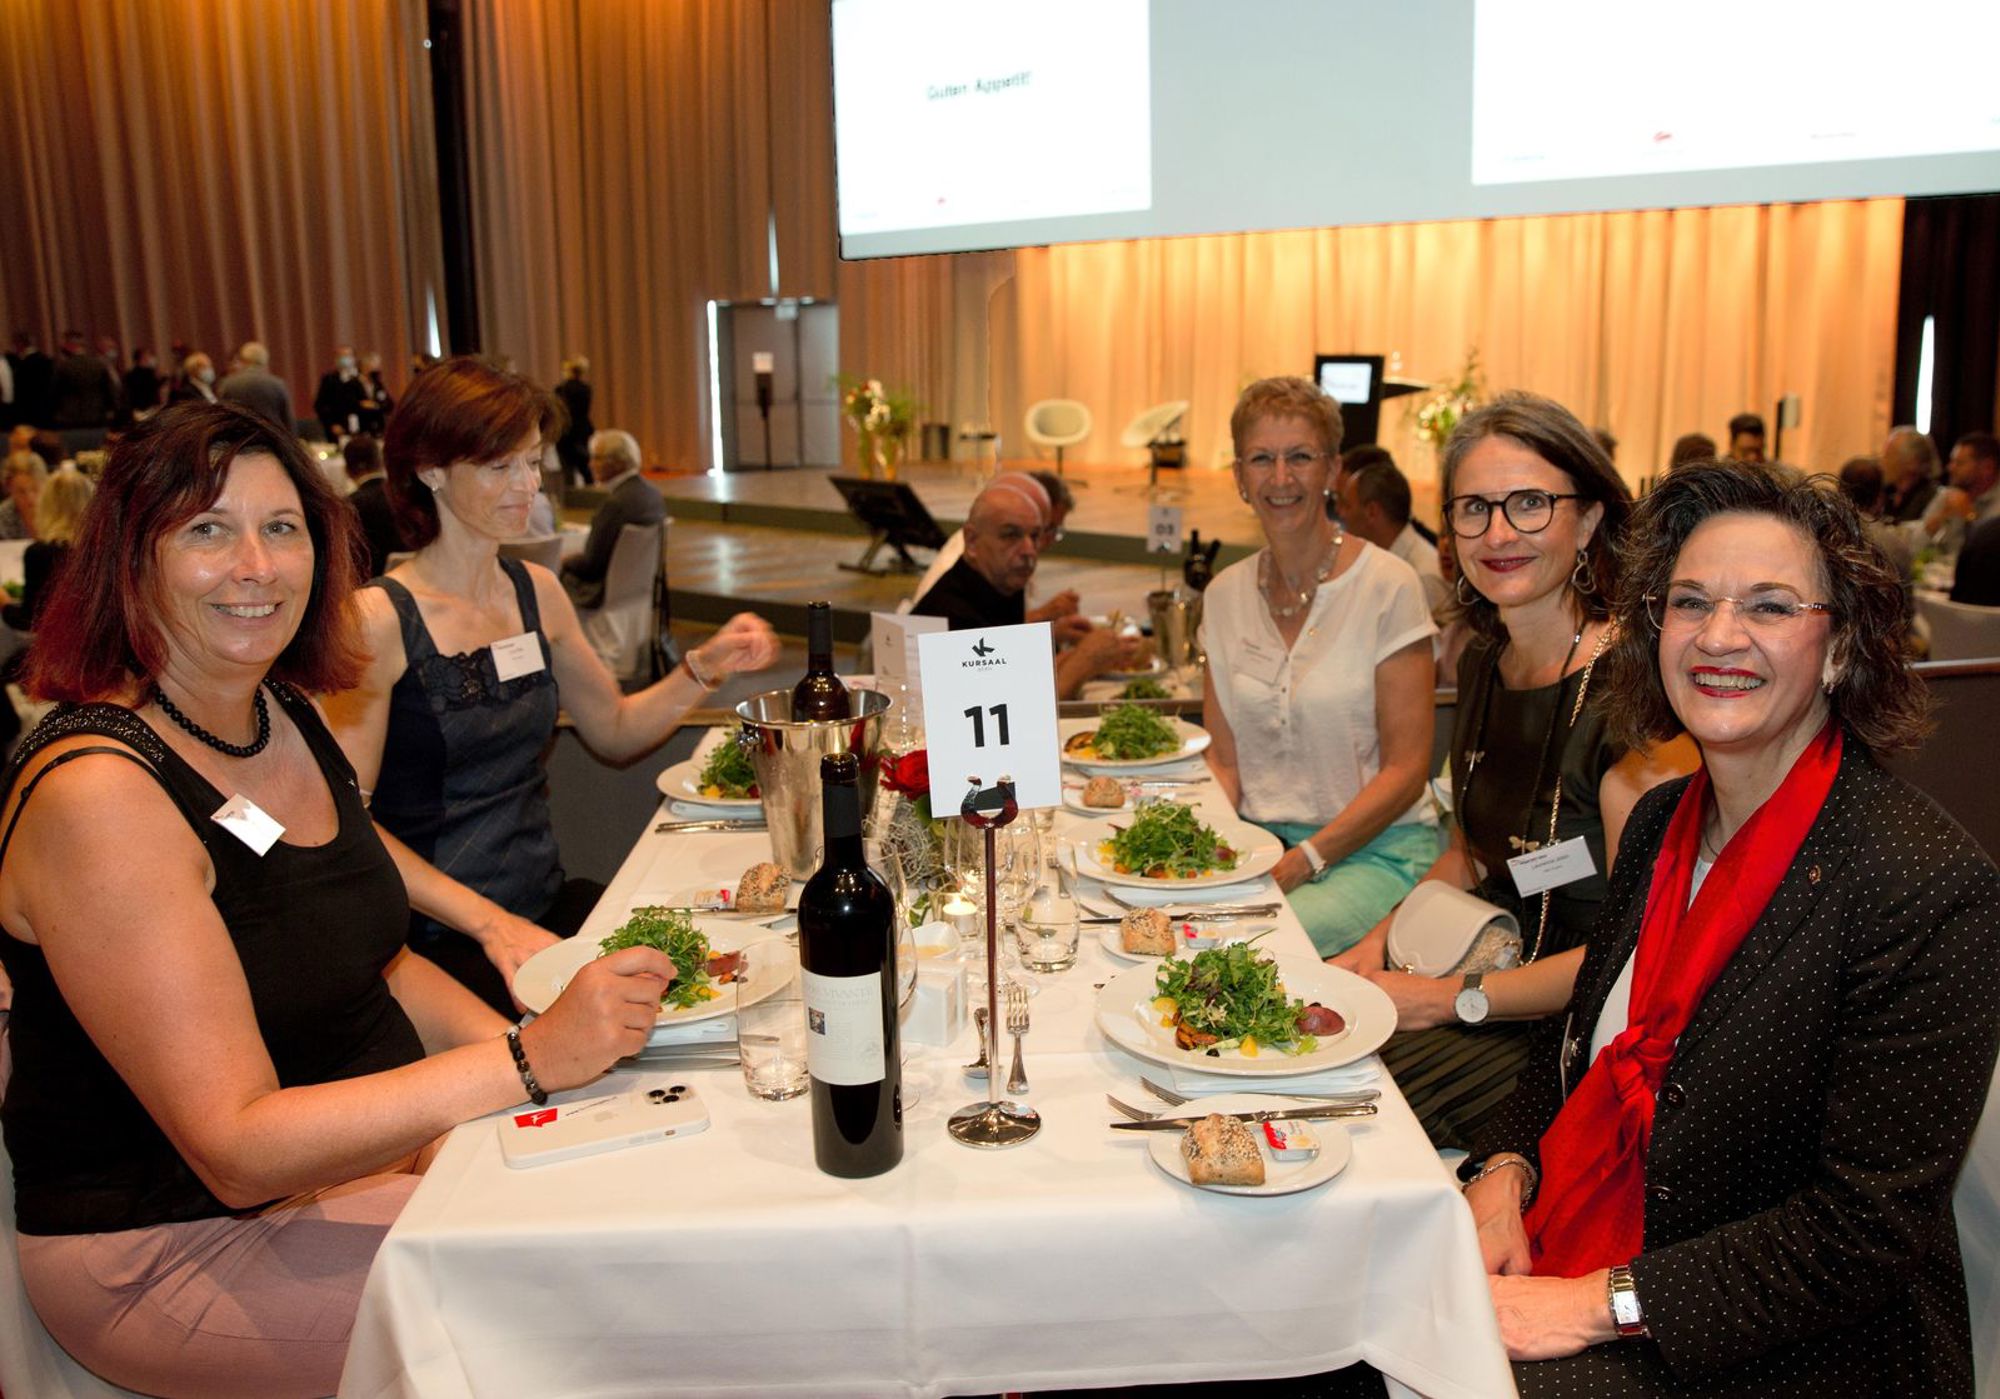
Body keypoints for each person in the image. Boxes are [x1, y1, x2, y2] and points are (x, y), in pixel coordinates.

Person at [0, 402, 679, 1398]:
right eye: (207, 530)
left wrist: (554, 1067)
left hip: (333, 1184)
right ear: (131, 561)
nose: (257, 565)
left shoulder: (282, 716)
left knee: (642, 1216)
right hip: (168, 1247)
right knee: (582, 1314)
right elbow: (236, 1149)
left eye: (281, 527)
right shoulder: (101, 795)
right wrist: (528, 1061)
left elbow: (379, 963)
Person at [1462, 460, 1999, 1396]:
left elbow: (1862, 1231)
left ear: (1840, 647)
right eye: (1690, 602)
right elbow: (1574, 1039)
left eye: (1770, 606)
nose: (1718, 635)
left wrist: (1596, 1302)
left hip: (1797, 1346)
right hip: (1604, 1248)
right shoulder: (1661, 822)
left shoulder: (1922, 884)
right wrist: (1503, 1172)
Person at [323, 357, 780, 1014]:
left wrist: (706, 665)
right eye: (500, 466)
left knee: (724, 981)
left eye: (533, 462)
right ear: (429, 470)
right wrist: (490, 924)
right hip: (433, 946)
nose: (528, 485)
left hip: (541, 908)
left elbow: (614, 730)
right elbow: (347, 821)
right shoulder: (377, 619)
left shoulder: (536, 592)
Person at [1333, 393, 1696, 1148]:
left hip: (1585, 1029)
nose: (1498, 533)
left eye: (1530, 503)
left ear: (1588, 520)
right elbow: (1472, 853)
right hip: (1487, 970)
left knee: (1339, 1078)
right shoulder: (1484, 662)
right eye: (1475, 508)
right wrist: (1376, 940)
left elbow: (1641, 956)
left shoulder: (1638, 696)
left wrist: (1446, 999)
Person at [1200, 376, 1439, 957]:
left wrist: (1303, 859)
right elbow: (1224, 764)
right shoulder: (1224, 595)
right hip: (1261, 850)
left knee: (1243, 948)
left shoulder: (1389, 585)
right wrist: (1199, 849)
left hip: (1376, 852)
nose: (1280, 478)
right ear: (1239, 476)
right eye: (1262, 459)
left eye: (1300, 457)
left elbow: (1407, 770)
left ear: (1332, 470)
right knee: (1168, 927)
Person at [911, 477, 1142, 697]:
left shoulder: (998, 583)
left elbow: (1012, 672)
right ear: (971, 541)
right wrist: (1085, 660)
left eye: (1035, 536)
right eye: (1011, 535)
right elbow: (1011, 710)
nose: (1029, 550)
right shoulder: (952, 613)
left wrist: (1053, 637)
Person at [560, 429, 666, 609]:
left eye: (597, 458)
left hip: (603, 593)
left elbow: (591, 565)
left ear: (618, 462)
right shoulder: (652, 494)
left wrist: (563, 561)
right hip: (638, 590)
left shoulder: (615, 505)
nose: (590, 464)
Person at [1334, 448, 1449, 613]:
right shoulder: (1380, 558)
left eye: (1346, 505)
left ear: (1372, 512)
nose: (1340, 513)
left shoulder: (1423, 577)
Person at [2, 463, 92, 631]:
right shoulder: (103, 550)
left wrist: (4, 603)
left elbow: (30, 620)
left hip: (61, 642)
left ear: (47, 504)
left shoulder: (41, 554)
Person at [342, 433, 399, 579]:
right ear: (381, 464)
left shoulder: (348, 506)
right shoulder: (404, 496)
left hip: (368, 582)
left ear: (347, 470)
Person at [217, 341, 294, 434]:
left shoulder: (228, 384)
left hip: (240, 437)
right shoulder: (278, 384)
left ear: (243, 359)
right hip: (271, 437)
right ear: (265, 361)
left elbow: (221, 416)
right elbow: (287, 419)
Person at [49, 331, 120, 428]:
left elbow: (54, 395)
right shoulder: (98, 365)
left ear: (69, 345)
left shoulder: (63, 367)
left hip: (70, 421)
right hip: (97, 418)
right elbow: (110, 392)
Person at [1879, 424, 1940, 523]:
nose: (1882, 461)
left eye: (1889, 455)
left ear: (1912, 462)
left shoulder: (1933, 501)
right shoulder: (1885, 494)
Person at [553, 354, 594, 489]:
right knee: (585, 466)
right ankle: (592, 492)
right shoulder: (586, 389)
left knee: (567, 468)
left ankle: (571, 494)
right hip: (582, 430)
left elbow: (559, 412)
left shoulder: (561, 390)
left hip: (565, 433)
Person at [313, 345, 368, 443]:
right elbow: (320, 405)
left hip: (358, 428)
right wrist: (331, 424)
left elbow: (365, 402)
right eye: (341, 356)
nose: (345, 359)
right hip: (336, 429)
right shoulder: (329, 379)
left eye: (348, 356)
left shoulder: (359, 379)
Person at [0, 450, 47, 540]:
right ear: (10, 490)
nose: (30, 498)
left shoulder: (56, 510)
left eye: (35, 489)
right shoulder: (2, 518)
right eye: (21, 492)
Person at [122, 347, 162, 422]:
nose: (149, 358)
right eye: (148, 356)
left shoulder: (132, 373)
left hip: (147, 408)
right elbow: (151, 387)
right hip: (142, 409)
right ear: (142, 358)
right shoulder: (136, 374)